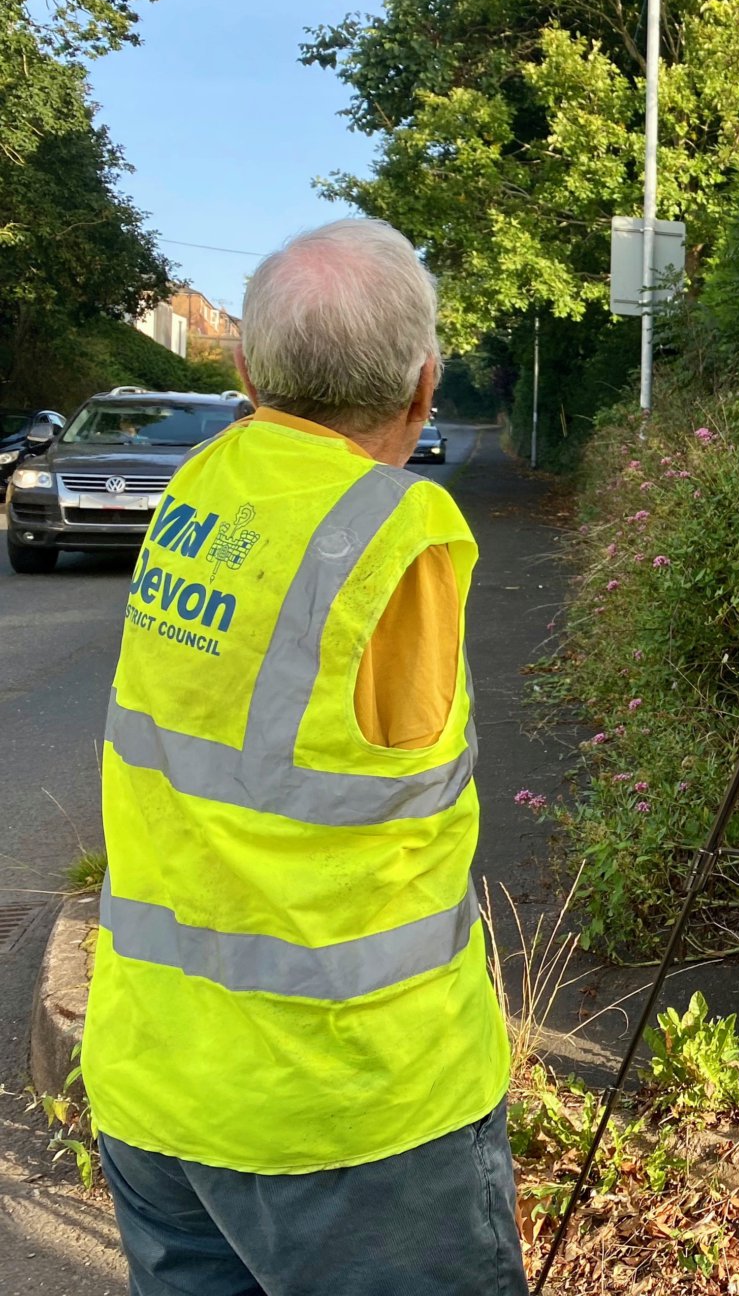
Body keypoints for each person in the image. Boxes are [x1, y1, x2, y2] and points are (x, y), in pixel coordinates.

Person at [83, 219, 523, 1295]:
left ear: (241, 371)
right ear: (425, 389)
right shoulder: (396, 530)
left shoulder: (196, 488)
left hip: (156, 1078)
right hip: (352, 1111)